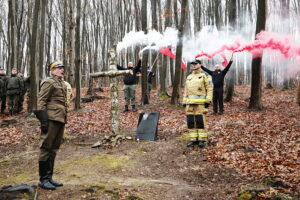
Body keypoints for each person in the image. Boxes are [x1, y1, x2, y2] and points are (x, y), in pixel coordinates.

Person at [34, 61, 67, 190]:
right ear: (52, 70)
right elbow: (41, 101)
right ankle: (43, 180)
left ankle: (49, 177)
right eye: (58, 68)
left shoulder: (62, 83)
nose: (61, 70)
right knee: (46, 147)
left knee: (53, 148)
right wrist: (43, 120)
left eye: (62, 68)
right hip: (51, 118)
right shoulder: (48, 82)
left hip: (60, 118)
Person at [183, 60, 213, 147]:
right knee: (191, 121)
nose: (194, 65)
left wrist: (208, 100)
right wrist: (184, 101)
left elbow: (210, 88)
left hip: (200, 104)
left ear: (200, 64)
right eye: (193, 64)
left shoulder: (206, 75)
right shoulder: (189, 76)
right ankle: (193, 139)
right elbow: (186, 90)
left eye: (195, 64)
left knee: (200, 121)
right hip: (189, 104)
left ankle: (201, 140)